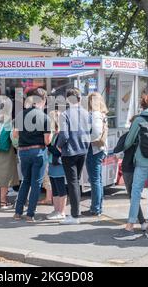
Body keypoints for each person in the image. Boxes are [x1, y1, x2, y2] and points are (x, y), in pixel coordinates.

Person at [114, 94, 148, 240]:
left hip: (142, 161)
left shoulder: (139, 120)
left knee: (136, 193)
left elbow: (129, 140)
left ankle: (130, 227)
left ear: (142, 106)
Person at [13, 88, 52, 222]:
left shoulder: (20, 115)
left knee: (25, 181)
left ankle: (18, 212)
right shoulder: (45, 117)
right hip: (38, 151)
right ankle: (30, 214)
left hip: (23, 151)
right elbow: (47, 141)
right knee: (36, 183)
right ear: (43, 100)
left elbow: (15, 134)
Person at [56, 88, 91, 225]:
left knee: (73, 183)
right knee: (76, 181)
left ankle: (75, 215)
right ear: (79, 99)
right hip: (83, 150)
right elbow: (90, 131)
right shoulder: (86, 113)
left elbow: (64, 135)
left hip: (70, 151)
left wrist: (59, 145)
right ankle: (76, 213)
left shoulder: (65, 114)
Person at [117, 116, 147, 232]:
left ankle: (141, 221)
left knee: (133, 196)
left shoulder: (128, 136)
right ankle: (143, 221)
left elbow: (117, 149)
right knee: (137, 195)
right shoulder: (145, 136)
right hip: (142, 167)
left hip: (129, 168)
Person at [82, 92, 108, 217]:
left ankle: (95, 208)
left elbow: (96, 133)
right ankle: (98, 207)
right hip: (99, 149)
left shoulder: (95, 114)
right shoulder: (102, 114)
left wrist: (85, 139)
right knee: (97, 180)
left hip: (94, 149)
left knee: (95, 180)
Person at [45, 108, 67, 221]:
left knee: (60, 187)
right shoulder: (54, 134)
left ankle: (61, 211)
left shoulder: (61, 134)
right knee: (54, 186)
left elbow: (59, 151)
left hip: (59, 164)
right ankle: (56, 209)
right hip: (52, 163)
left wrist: (48, 146)